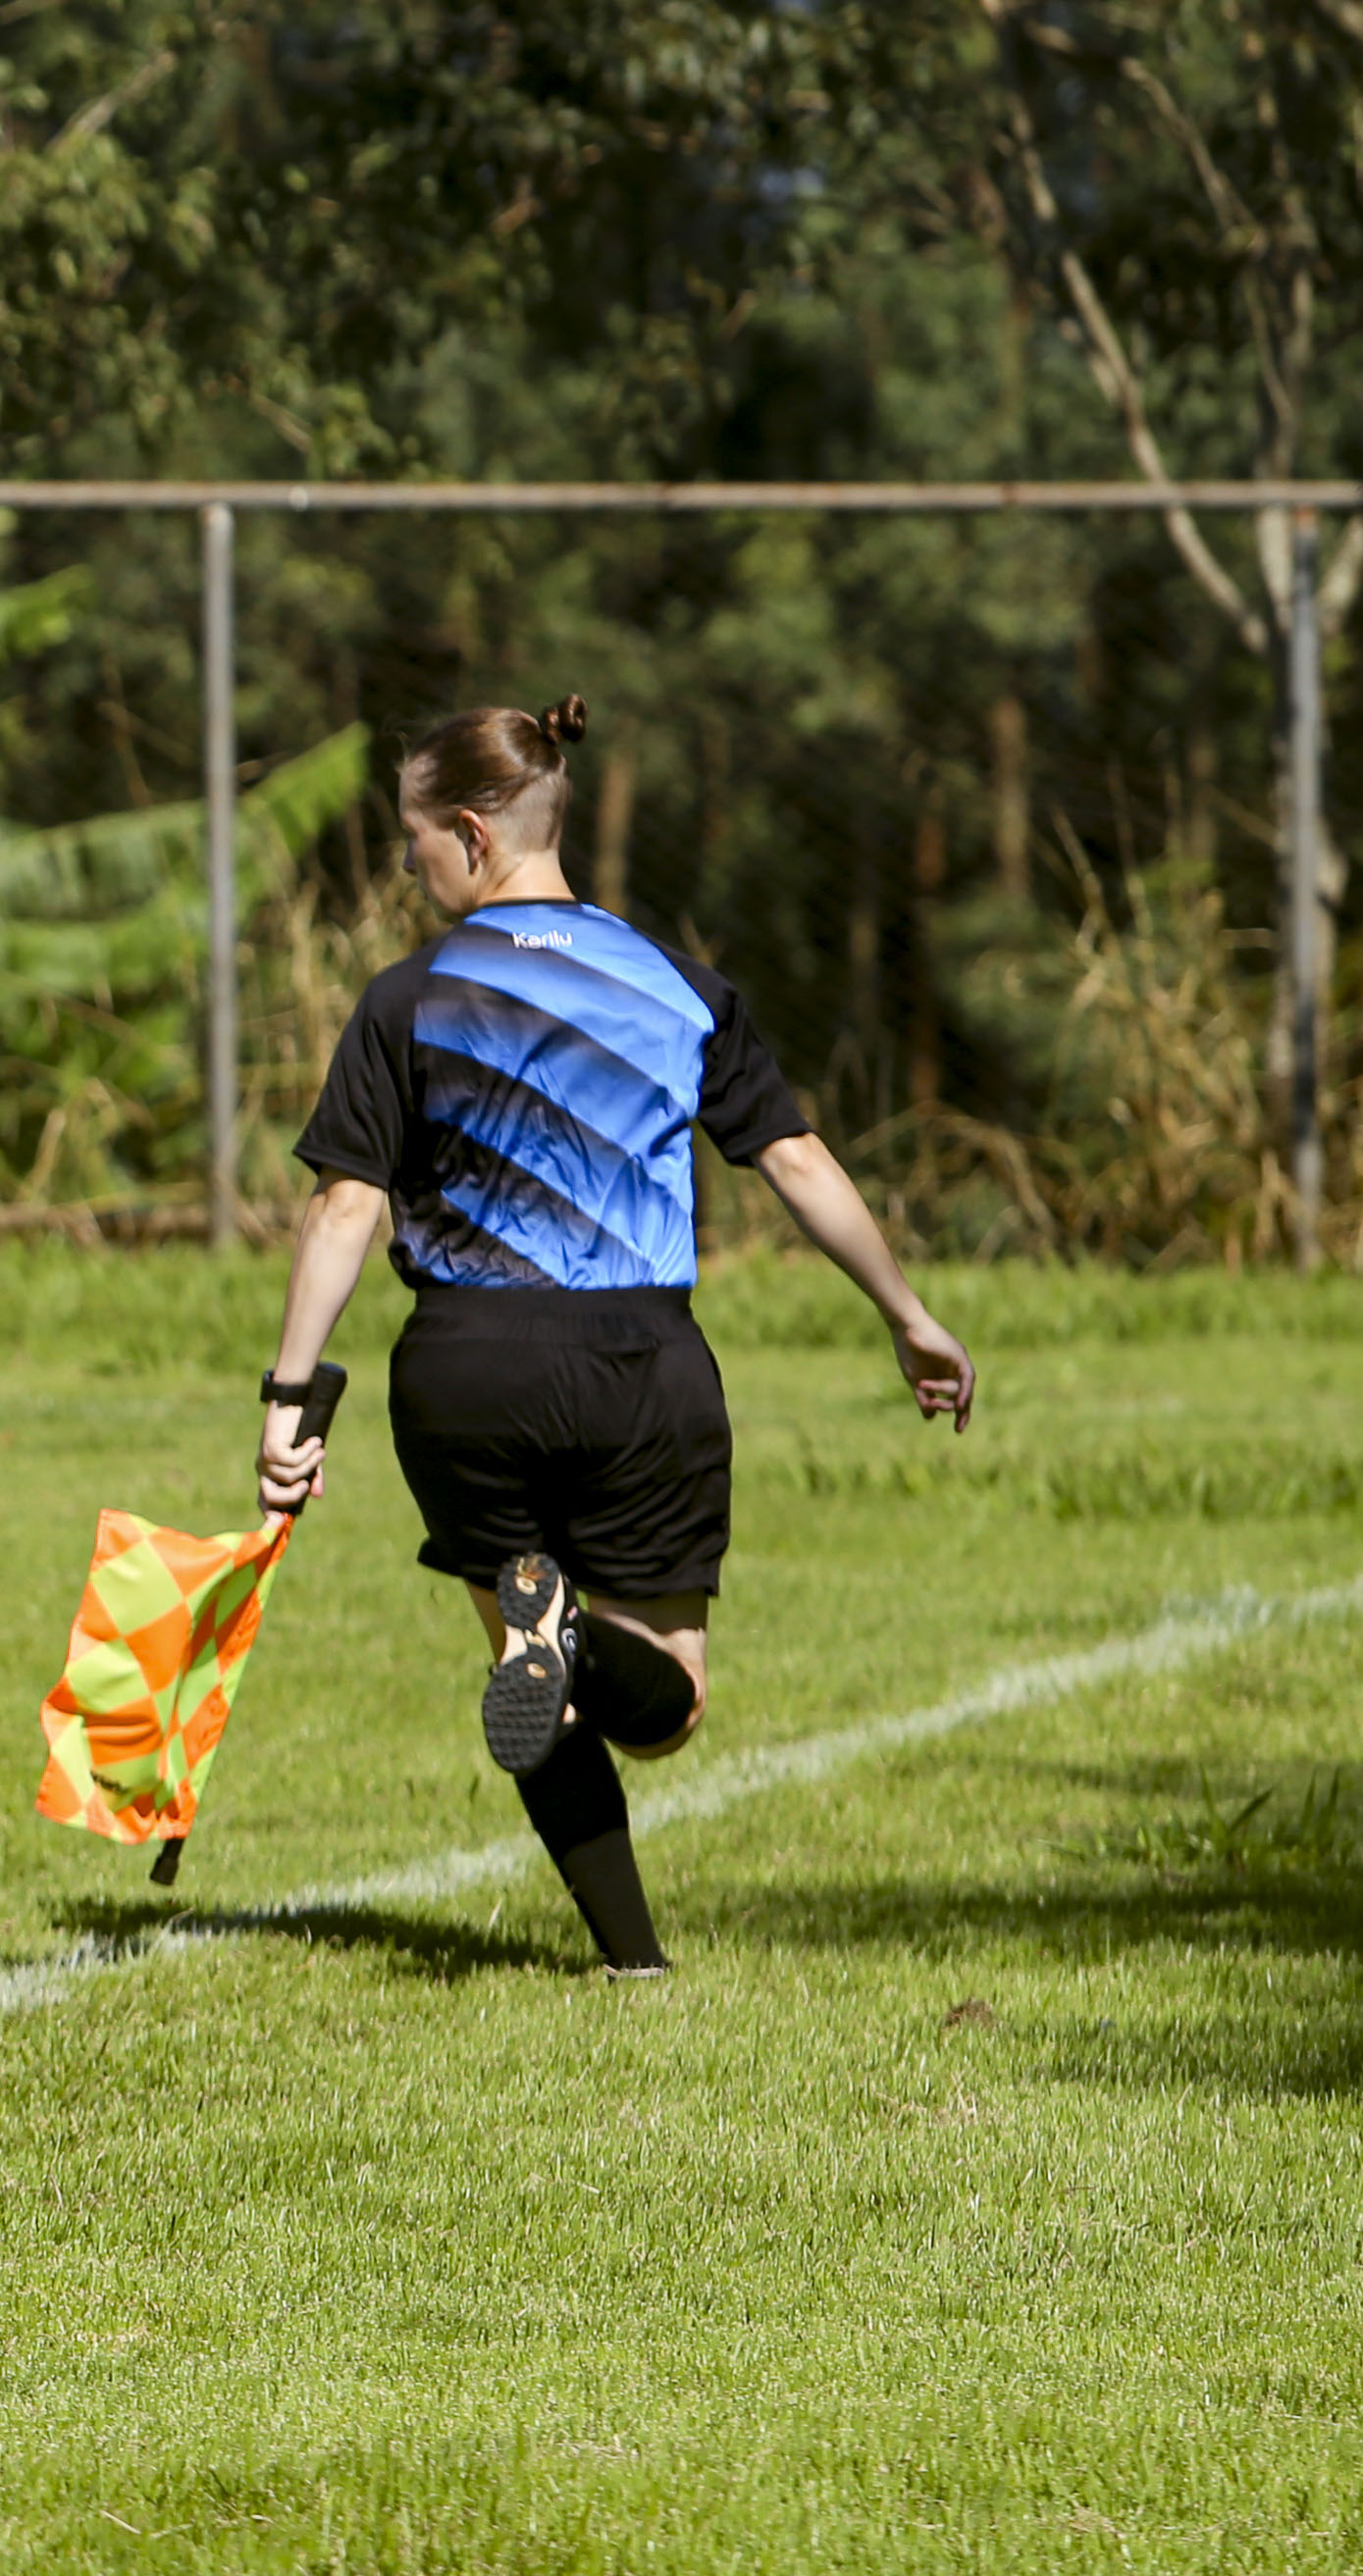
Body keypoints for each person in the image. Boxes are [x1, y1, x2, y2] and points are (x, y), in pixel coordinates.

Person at [250, 695, 975, 1975]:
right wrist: (904, 1313)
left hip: (462, 1371)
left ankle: (629, 1954)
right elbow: (793, 1158)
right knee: (664, 1704)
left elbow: (342, 1202)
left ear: (470, 834)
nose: (409, 868)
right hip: (638, 1366)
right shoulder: (677, 986)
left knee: (529, 1666)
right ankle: (574, 1661)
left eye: (413, 841)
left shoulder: (404, 997)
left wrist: (288, 1391)